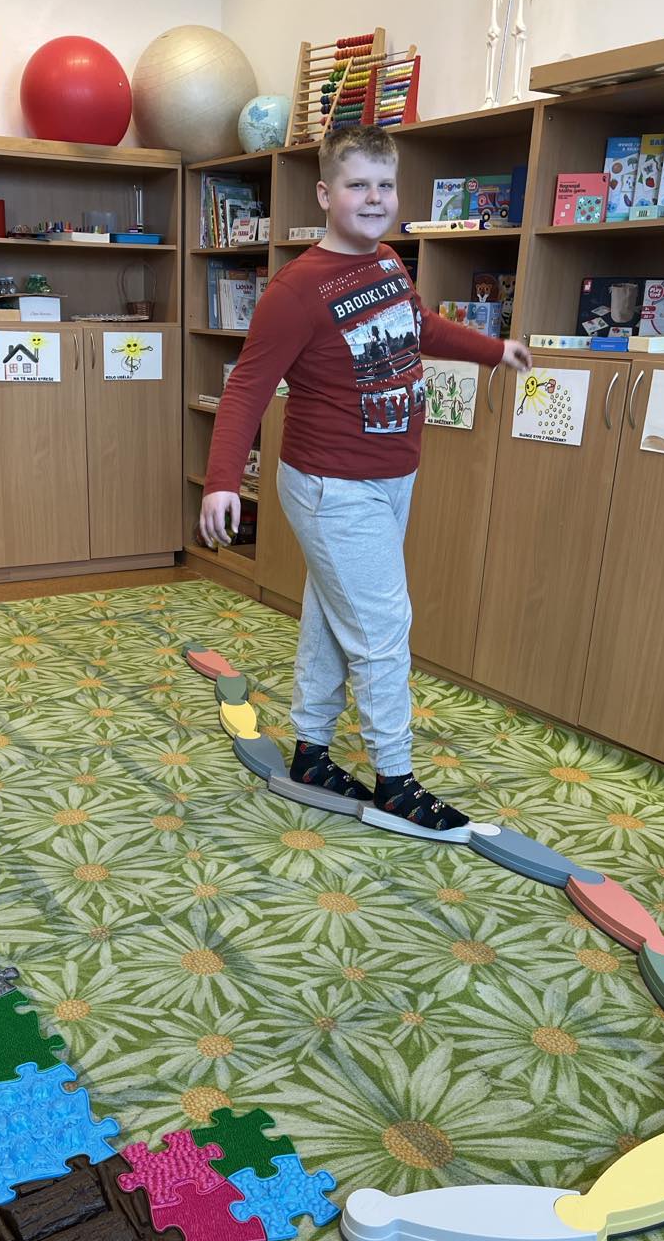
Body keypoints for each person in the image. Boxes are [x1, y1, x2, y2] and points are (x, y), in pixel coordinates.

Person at [199, 124, 531, 832]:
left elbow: (419, 328)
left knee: (331, 614)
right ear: (325, 194)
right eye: (357, 185)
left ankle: (311, 751)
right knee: (382, 628)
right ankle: (396, 781)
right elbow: (248, 387)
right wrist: (222, 478)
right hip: (331, 486)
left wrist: (491, 348)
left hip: (390, 476)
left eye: (385, 185)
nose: (374, 198)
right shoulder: (295, 290)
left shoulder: (386, 264)